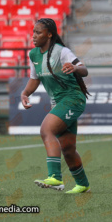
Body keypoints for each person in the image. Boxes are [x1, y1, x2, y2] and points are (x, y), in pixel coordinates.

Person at [20, 18, 91, 194]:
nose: (34, 36)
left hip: (73, 98)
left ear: (49, 34)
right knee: (68, 149)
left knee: (46, 130)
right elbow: (35, 78)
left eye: (38, 32)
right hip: (59, 102)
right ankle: (82, 184)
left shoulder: (62, 52)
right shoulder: (33, 55)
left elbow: (84, 70)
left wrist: (75, 69)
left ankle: (56, 178)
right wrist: (25, 93)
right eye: (33, 32)